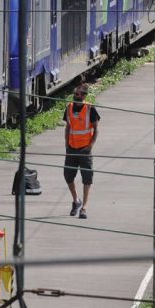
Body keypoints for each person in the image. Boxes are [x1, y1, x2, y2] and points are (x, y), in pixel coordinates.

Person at [63, 83, 100, 219]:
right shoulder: (69, 108)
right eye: (75, 94)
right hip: (71, 149)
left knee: (87, 179)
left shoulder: (90, 109)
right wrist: (67, 145)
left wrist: (90, 146)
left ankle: (84, 207)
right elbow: (68, 127)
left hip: (85, 150)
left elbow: (96, 128)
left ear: (84, 95)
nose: (76, 96)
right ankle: (76, 200)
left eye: (78, 94)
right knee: (68, 176)